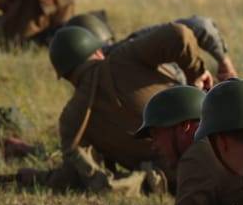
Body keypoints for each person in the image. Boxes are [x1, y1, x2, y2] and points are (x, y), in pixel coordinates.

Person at [38, 23, 209, 192]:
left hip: (177, 179)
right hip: (212, 145)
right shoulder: (123, 58)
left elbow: (74, 175)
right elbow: (179, 35)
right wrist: (196, 73)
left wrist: (35, 176)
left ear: (67, 77)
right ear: (98, 52)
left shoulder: (71, 119)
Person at [65, 12, 238, 83]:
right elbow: (200, 26)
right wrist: (224, 62)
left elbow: (198, 27)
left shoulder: (132, 48)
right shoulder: (135, 47)